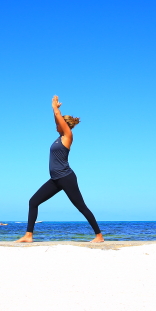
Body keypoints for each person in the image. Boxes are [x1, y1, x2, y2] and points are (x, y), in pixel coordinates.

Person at [16, 96, 103, 243]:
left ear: (64, 125)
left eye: (59, 123)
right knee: (33, 202)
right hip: (55, 179)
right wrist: (56, 111)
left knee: (81, 206)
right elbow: (57, 119)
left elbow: (58, 118)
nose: (56, 125)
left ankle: (99, 236)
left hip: (66, 177)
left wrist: (54, 107)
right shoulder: (59, 137)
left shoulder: (68, 136)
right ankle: (28, 235)